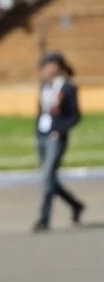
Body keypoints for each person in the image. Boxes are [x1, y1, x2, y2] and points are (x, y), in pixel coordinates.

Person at [32, 51, 85, 232]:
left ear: (57, 66)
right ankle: (76, 205)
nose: (45, 69)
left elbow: (75, 115)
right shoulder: (45, 87)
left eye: (48, 65)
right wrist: (37, 130)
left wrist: (59, 130)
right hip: (42, 134)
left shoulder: (68, 88)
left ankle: (44, 218)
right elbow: (41, 111)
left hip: (56, 137)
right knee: (49, 179)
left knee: (48, 176)